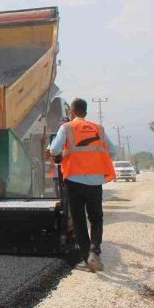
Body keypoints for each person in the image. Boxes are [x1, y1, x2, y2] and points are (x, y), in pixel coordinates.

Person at [46, 99, 116, 272]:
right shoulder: (98, 129)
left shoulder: (67, 128)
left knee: (79, 220)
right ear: (86, 111)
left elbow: (54, 150)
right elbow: (112, 150)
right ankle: (95, 252)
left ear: (72, 112)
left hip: (74, 181)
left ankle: (86, 259)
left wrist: (62, 154)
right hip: (95, 181)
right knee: (96, 217)